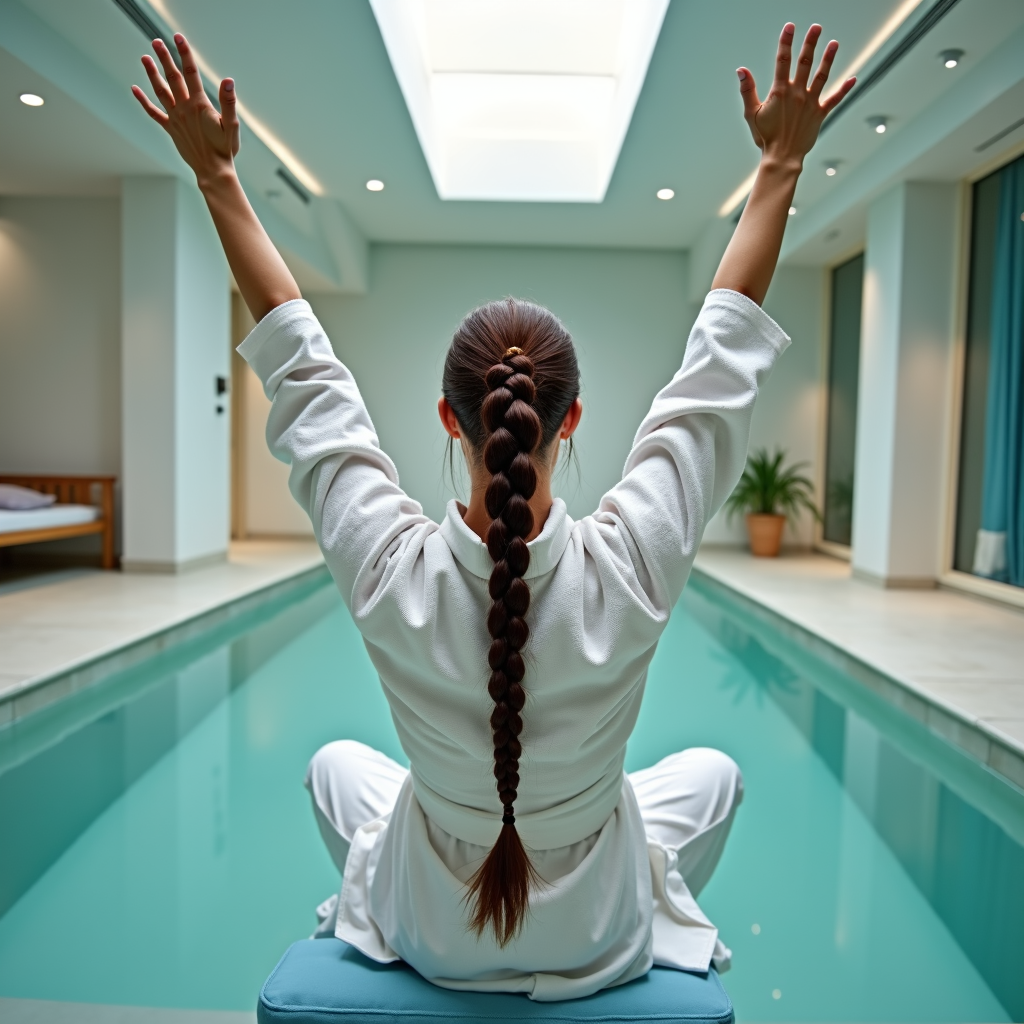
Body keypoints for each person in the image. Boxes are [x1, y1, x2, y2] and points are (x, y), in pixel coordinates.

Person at [132, 24, 853, 1001]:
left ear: (449, 418)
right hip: (596, 927)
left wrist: (219, 178)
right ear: (572, 420)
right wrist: (780, 162)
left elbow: (302, 370)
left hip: (436, 927)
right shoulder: (632, 562)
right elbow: (715, 368)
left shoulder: (388, 568)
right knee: (715, 774)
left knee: (335, 767)